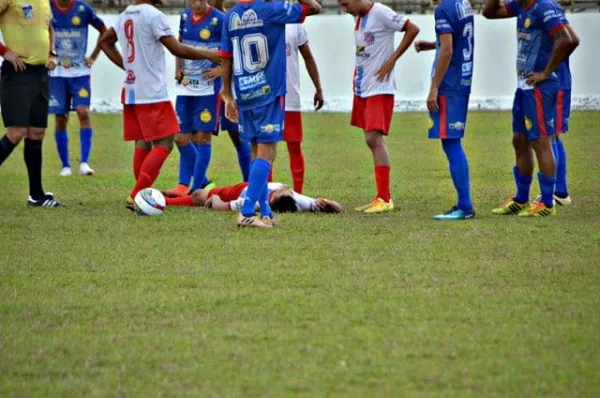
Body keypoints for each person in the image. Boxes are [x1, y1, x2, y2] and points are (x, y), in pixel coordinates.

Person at [98, 0, 220, 210]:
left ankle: (143, 194)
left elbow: (105, 42)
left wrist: (128, 67)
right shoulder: (152, 15)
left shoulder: (126, 14)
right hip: (152, 94)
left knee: (143, 143)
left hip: (132, 90)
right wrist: (210, 54)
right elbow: (176, 48)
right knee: (165, 143)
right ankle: (137, 195)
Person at [220, 0, 321, 228]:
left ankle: (265, 211)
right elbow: (314, 7)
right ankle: (246, 213)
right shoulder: (273, 9)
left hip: (244, 92)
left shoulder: (231, 15)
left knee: (257, 152)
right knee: (267, 153)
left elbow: (225, 57)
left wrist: (227, 94)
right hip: (268, 92)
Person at [483, 0, 579, 217]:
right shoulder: (520, 6)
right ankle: (521, 198)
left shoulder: (544, 7)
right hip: (524, 85)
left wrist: (545, 72)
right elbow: (489, 13)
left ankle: (548, 201)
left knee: (541, 140)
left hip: (540, 87)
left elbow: (569, 40)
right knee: (520, 140)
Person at [337, 0, 420, 214]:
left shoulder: (381, 12)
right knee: (372, 139)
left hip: (379, 87)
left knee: (373, 138)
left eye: (346, 4)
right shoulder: (358, 18)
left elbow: (412, 28)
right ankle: (381, 196)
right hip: (364, 87)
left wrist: (392, 59)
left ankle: (385, 197)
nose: (345, 10)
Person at [414, 0, 475, 220]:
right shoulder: (462, 3)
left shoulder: (443, 9)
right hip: (462, 79)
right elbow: (455, 40)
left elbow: (448, 50)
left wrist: (434, 87)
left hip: (450, 84)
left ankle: (465, 207)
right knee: (451, 141)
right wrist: (433, 44)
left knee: (451, 142)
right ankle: (464, 205)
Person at [0, 0, 63, 207]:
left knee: (36, 133)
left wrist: (52, 53)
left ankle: (36, 195)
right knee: (16, 133)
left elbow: (50, 27)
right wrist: (4, 51)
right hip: (17, 73)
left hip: (41, 73)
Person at [162, 0, 224, 198]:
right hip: (187, 86)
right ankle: (202, 182)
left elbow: (232, 49)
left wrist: (222, 69)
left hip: (208, 88)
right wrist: (178, 67)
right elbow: (178, 44)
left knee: (202, 137)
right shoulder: (184, 16)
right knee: (180, 137)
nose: (196, 3)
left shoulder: (220, 19)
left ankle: (194, 188)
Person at [50, 0, 106, 177]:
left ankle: (84, 163)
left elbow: (104, 31)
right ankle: (65, 166)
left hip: (80, 73)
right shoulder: (48, 7)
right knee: (60, 118)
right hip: (57, 74)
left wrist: (94, 56)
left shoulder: (83, 9)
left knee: (83, 112)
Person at [277, 21, 324, 194]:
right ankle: (266, 193)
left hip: (290, 96)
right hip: (266, 97)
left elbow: (308, 57)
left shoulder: (294, 25)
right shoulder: (259, 18)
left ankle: (298, 194)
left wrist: (318, 88)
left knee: (294, 145)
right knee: (265, 146)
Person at [163, 181, 343, 214]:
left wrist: (216, 201)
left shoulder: (257, 201)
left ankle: (163, 202)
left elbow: (224, 206)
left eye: (284, 190)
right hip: (252, 181)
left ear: (272, 200)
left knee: (197, 196)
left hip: (240, 191)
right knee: (197, 193)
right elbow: (338, 208)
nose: (286, 187)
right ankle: (181, 192)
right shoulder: (297, 201)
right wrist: (329, 204)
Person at [533, 59, 572, 206]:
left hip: (555, 85)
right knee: (552, 135)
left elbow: (570, 42)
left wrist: (544, 73)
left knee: (549, 136)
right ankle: (559, 192)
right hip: (556, 84)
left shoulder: (561, 36)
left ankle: (555, 192)